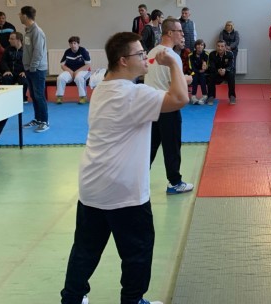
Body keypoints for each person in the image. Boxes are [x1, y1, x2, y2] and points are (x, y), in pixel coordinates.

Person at [60, 31, 188, 304]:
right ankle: (132, 300)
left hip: (92, 187)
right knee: (137, 252)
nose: (145, 57)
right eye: (139, 54)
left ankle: (72, 299)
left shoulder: (101, 88)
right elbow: (180, 99)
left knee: (85, 249)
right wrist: (174, 64)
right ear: (123, 60)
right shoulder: (133, 94)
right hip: (124, 193)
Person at [145, 18, 194, 195]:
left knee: (149, 146)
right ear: (170, 33)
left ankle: (138, 179)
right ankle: (175, 182)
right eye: (180, 31)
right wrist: (186, 79)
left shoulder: (152, 52)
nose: (182, 34)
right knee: (171, 146)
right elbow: (175, 86)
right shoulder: (172, 57)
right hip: (168, 105)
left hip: (150, 105)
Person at [19, 5, 49, 133]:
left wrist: (33, 67)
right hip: (30, 69)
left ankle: (45, 121)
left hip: (37, 69)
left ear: (25, 16)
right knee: (33, 95)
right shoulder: (28, 30)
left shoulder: (37, 31)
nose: (19, 16)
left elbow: (38, 52)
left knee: (39, 95)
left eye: (20, 14)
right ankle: (37, 119)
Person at [56, 36, 92, 105]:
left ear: (78, 44)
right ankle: (59, 97)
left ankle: (83, 97)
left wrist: (77, 72)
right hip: (71, 71)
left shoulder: (83, 50)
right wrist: (70, 71)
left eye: (75, 43)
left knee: (79, 78)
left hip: (84, 71)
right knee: (60, 78)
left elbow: (88, 65)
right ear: (69, 44)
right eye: (71, 43)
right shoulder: (67, 51)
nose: (73, 45)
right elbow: (62, 65)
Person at [0, 31, 29, 103]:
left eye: (12, 39)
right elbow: (3, 61)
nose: (9, 40)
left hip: (21, 72)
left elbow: (29, 63)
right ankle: (8, 98)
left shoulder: (26, 50)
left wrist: (25, 71)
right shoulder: (8, 49)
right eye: (9, 38)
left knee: (24, 80)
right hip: (10, 72)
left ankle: (23, 97)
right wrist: (7, 70)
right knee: (6, 78)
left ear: (18, 40)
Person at [206, 40, 236, 105]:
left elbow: (231, 66)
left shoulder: (230, 54)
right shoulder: (212, 54)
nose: (220, 48)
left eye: (222, 46)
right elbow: (211, 66)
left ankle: (232, 96)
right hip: (216, 72)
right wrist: (218, 70)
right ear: (216, 46)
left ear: (225, 47)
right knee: (210, 75)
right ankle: (211, 96)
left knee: (231, 74)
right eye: (218, 46)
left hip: (226, 72)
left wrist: (225, 70)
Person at [188, 39, 208, 105]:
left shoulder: (206, 54)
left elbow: (208, 65)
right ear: (195, 46)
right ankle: (193, 96)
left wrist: (205, 67)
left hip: (203, 72)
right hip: (194, 71)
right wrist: (198, 71)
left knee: (202, 77)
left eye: (201, 45)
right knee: (195, 77)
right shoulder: (190, 55)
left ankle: (205, 95)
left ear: (203, 46)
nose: (200, 46)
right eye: (198, 45)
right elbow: (191, 67)